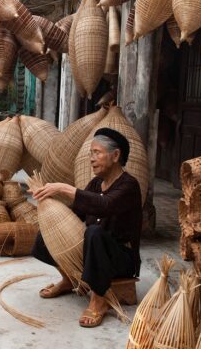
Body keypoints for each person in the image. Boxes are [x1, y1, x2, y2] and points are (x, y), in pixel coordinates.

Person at [30, 127, 142, 328]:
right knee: (47, 235)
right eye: (91, 153)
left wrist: (63, 187)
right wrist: (49, 209)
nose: (91, 158)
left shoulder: (129, 185)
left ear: (115, 155)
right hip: (94, 252)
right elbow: (76, 214)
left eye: (96, 153)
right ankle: (68, 279)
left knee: (94, 232)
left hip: (120, 258)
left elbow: (105, 205)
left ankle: (99, 300)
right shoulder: (96, 183)